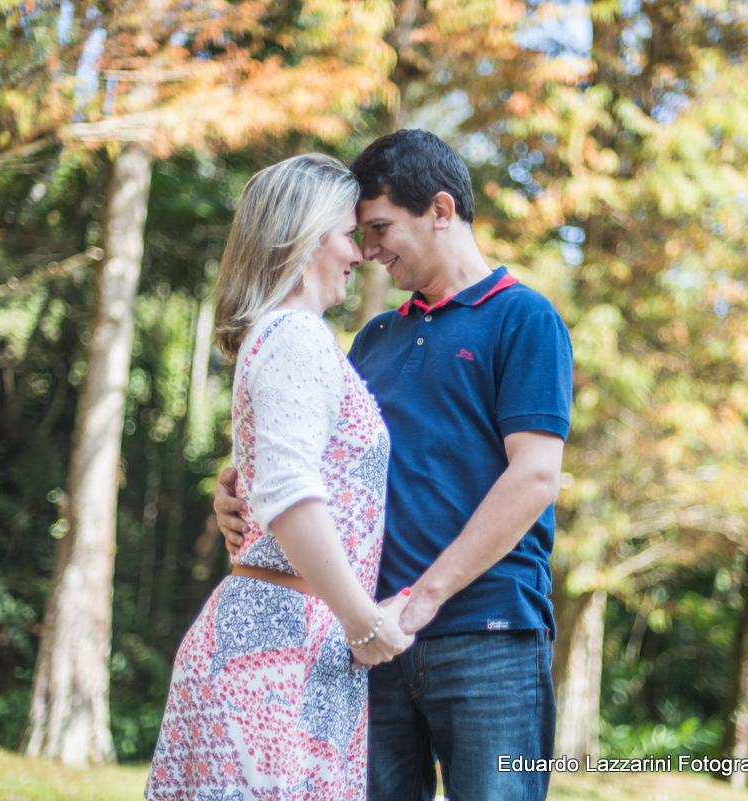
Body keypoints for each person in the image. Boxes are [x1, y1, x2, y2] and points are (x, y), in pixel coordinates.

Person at [215, 130, 574, 801]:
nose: (368, 249)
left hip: (488, 634)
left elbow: (533, 478)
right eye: (359, 232)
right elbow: (310, 464)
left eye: (380, 228)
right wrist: (232, 491)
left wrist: (421, 599)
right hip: (367, 640)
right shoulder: (374, 337)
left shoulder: (525, 320)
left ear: (442, 209)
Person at [145, 154, 414, 801]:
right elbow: (291, 495)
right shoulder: (295, 333)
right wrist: (364, 622)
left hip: (294, 647)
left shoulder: (290, 336)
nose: (360, 252)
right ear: (307, 234)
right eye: (350, 234)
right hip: (274, 655)